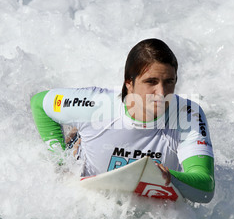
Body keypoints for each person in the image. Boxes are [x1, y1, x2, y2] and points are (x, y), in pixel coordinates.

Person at [30, 39, 215, 203]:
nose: (161, 93)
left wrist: (169, 176)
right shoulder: (94, 105)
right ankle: (79, 135)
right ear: (129, 83)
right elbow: (39, 103)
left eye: (169, 82)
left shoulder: (187, 114)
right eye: (151, 82)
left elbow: (205, 189)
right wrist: (60, 162)